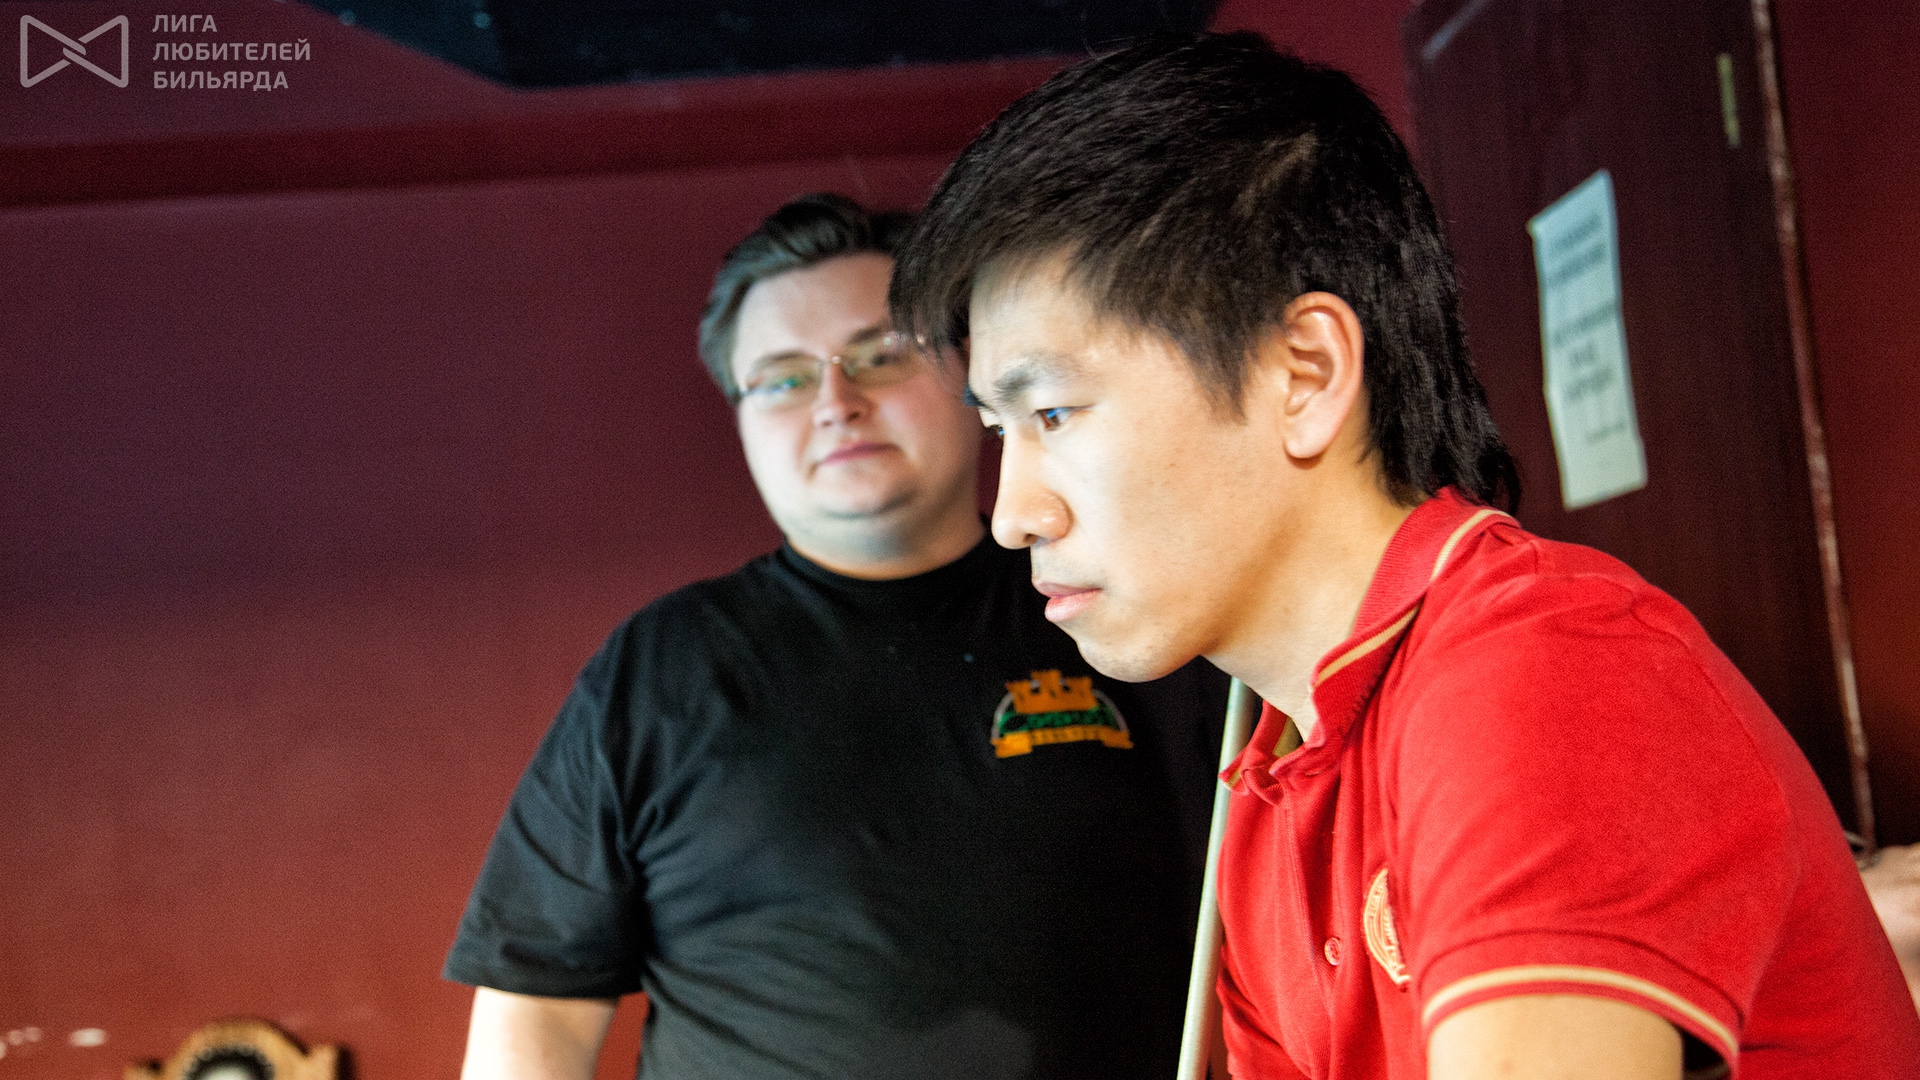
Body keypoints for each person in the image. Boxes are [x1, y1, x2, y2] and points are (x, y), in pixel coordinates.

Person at [890, 32, 1920, 1079]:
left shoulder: (1543, 667)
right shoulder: (1274, 778)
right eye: (999, 430)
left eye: (1053, 413)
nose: (1012, 516)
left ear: (1304, 374)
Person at [443, 193, 1228, 1080]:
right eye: (782, 378)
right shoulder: (659, 670)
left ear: (971, 375)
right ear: (741, 417)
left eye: (879, 355)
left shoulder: (1123, 613)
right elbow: (534, 1017)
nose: (835, 402)